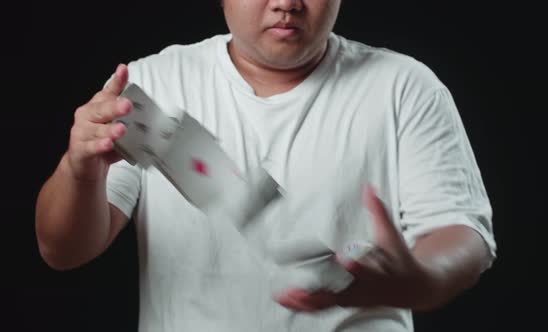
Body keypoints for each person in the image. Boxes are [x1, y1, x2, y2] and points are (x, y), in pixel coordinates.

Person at [35, 0, 497, 331]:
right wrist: (81, 169)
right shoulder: (153, 83)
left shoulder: (405, 86)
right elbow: (63, 250)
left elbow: (461, 232)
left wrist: (422, 279)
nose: (286, 4)